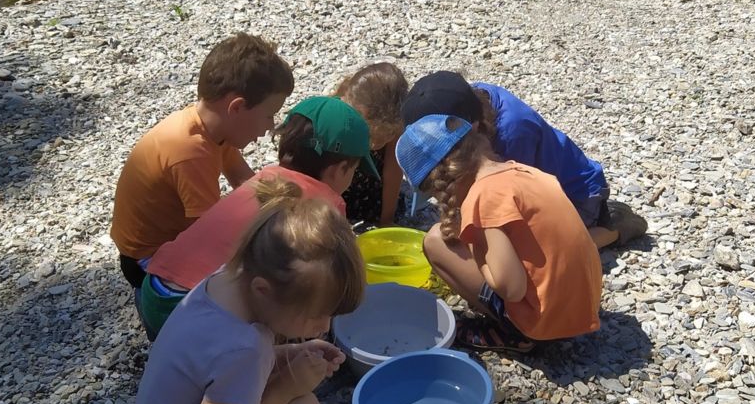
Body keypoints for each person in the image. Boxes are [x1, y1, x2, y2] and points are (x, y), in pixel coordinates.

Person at [126, 177, 364, 404]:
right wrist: (287, 386)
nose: (324, 326)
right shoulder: (245, 346)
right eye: (316, 314)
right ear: (263, 290)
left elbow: (215, 370)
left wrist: (286, 355)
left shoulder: (223, 282)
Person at [137, 96, 376, 339]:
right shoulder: (325, 205)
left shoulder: (266, 177)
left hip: (154, 289)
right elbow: (327, 281)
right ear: (340, 169)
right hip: (197, 308)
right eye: (354, 170)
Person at [395, 114, 603, 353]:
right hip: (584, 307)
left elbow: (511, 289)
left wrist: (478, 250)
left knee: (434, 241)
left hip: (544, 326)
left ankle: (514, 335)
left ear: (443, 181)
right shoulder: (525, 172)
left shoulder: (483, 197)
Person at [110, 33, 294, 288]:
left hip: (172, 238)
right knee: (250, 282)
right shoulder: (192, 152)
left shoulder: (213, 128)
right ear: (236, 108)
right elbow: (208, 235)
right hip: (148, 259)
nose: (270, 127)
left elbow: (244, 180)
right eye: (269, 115)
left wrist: (281, 210)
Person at [401, 70, 647, 249]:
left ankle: (613, 227)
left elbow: (518, 203)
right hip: (540, 185)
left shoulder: (513, 134)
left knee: (544, 252)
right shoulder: (467, 100)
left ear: (469, 129)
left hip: (577, 194)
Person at [332, 62, 408, 226]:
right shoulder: (340, 117)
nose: (375, 143)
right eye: (372, 137)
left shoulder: (394, 120)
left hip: (370, 183)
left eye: (387, 135)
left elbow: (393, 172)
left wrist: (387, 219)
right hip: (337, 178)